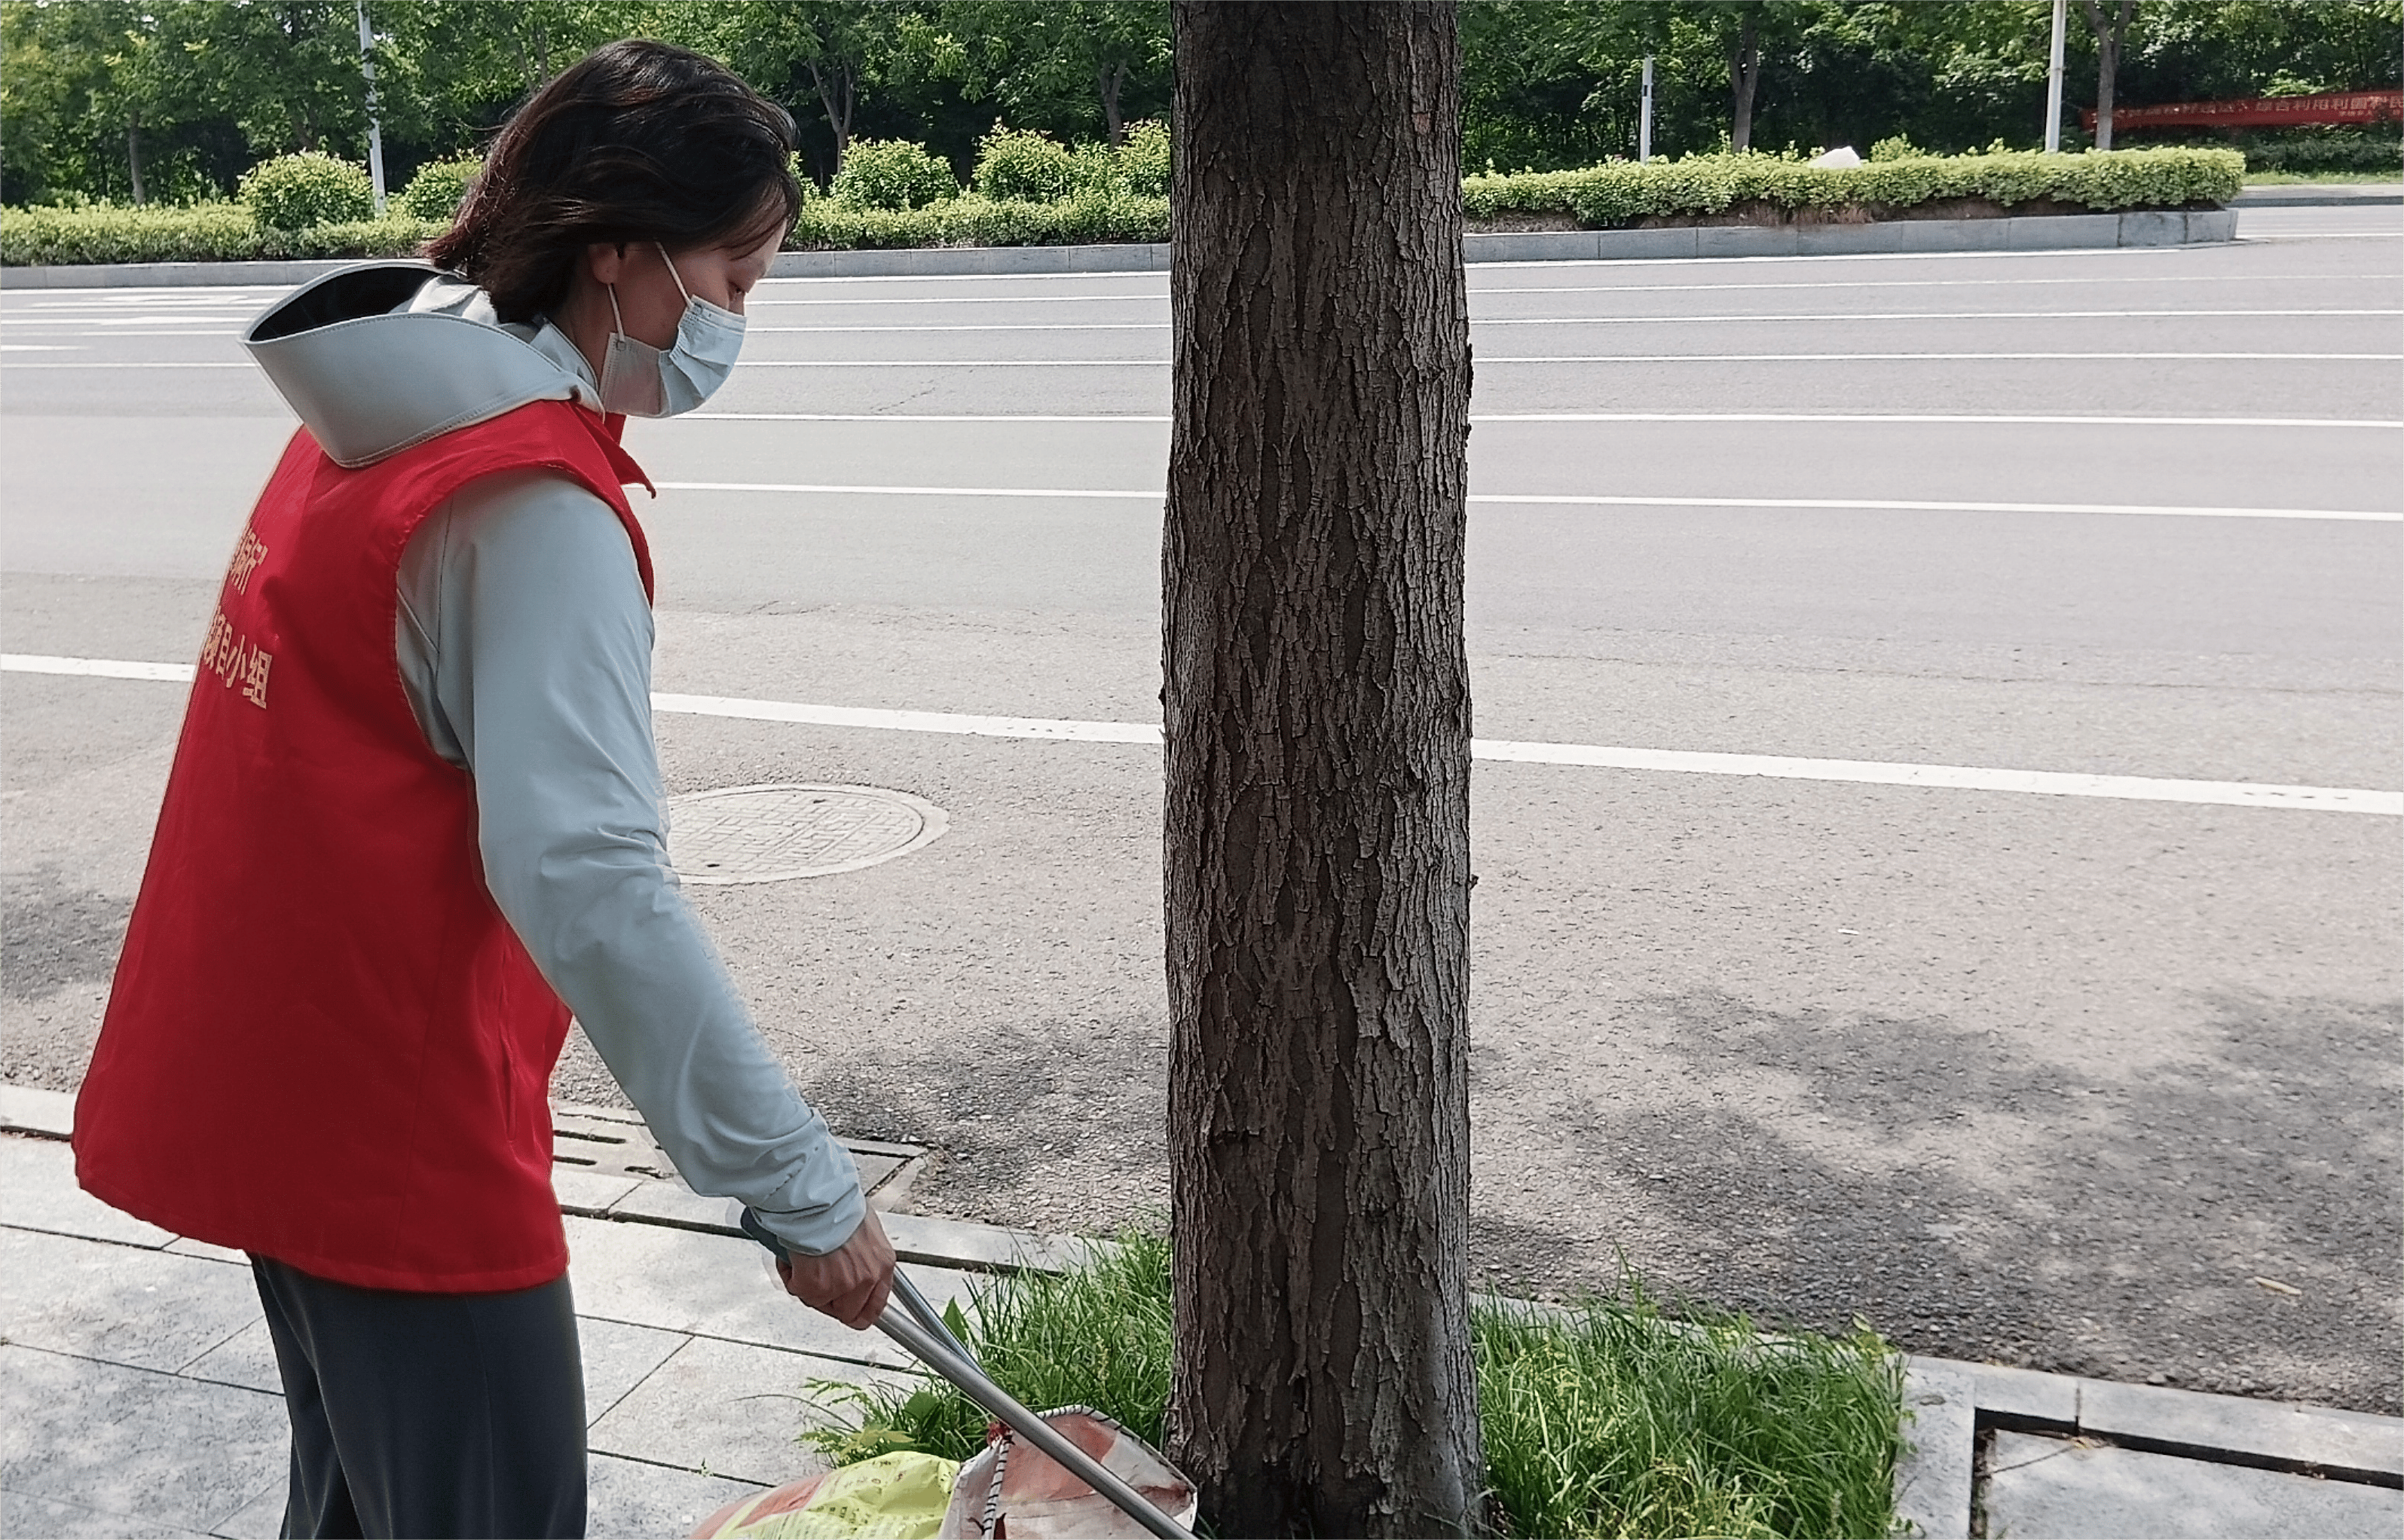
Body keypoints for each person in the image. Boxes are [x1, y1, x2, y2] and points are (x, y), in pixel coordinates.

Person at [71, 39, 894, 1540]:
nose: (731, 322)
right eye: (733, 277)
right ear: (619, 259)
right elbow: (586, 877)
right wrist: (801, 1186)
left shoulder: (369, 421)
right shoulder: (524, 505)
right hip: (394, 1133)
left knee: (359, 1501)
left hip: (281, 1082)